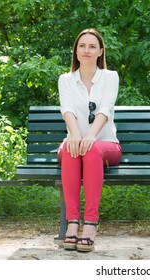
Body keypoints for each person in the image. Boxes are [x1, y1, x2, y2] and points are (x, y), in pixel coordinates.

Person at [57, 28, 122, 252]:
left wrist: (90, 136)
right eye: (82, 46)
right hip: (76, 144)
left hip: (106, 145)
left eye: (92, 46)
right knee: (70, 149)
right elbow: (67, 110)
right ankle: (73, 223)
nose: (87, 50)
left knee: (90, 149)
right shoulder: (65, 80)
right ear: (75, 52)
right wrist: (75, 135)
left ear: (100, 51)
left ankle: (91, 224)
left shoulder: (110, 77)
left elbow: (105, 109)